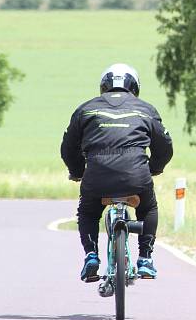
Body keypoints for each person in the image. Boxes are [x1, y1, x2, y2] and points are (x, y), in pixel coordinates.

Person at [60, 63, 173, 283]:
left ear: (104, 86)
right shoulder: (146, 109)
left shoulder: (85, 109)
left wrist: (77, 171)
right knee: (148, 206)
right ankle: (145, 258)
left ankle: (91, 255)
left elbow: (67, 147)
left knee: (89, 212)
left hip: (96, 177)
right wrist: (154, 169)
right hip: (137, 175)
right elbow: (165, 146)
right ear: (134, 86)